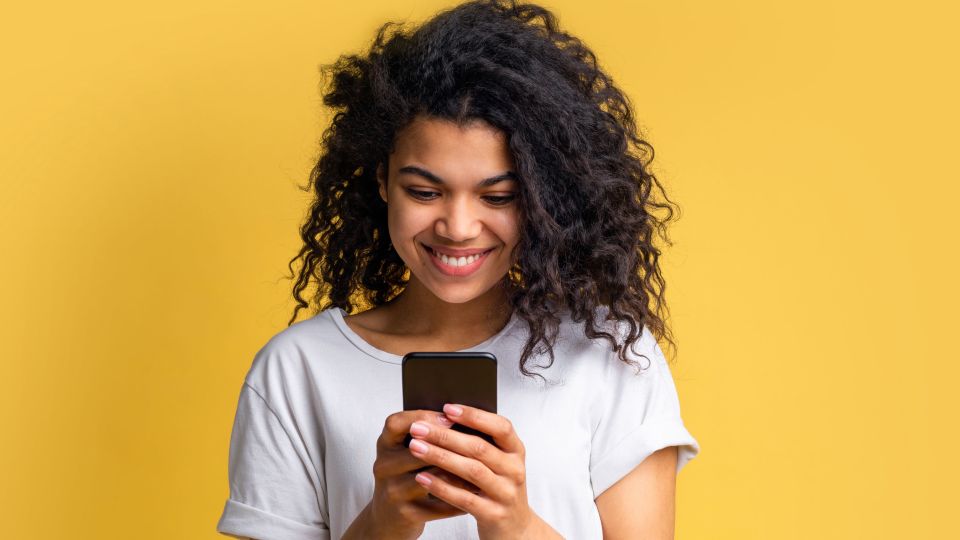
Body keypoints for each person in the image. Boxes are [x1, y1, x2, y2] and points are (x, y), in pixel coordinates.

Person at [215, 0, 700, 538]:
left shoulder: (608, 354)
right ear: (382, 181)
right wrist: (382, 522)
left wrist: (513, 523)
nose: (458, 226)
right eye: (424, 191)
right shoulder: (297, 370)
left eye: (498, 196)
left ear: (543, 199)